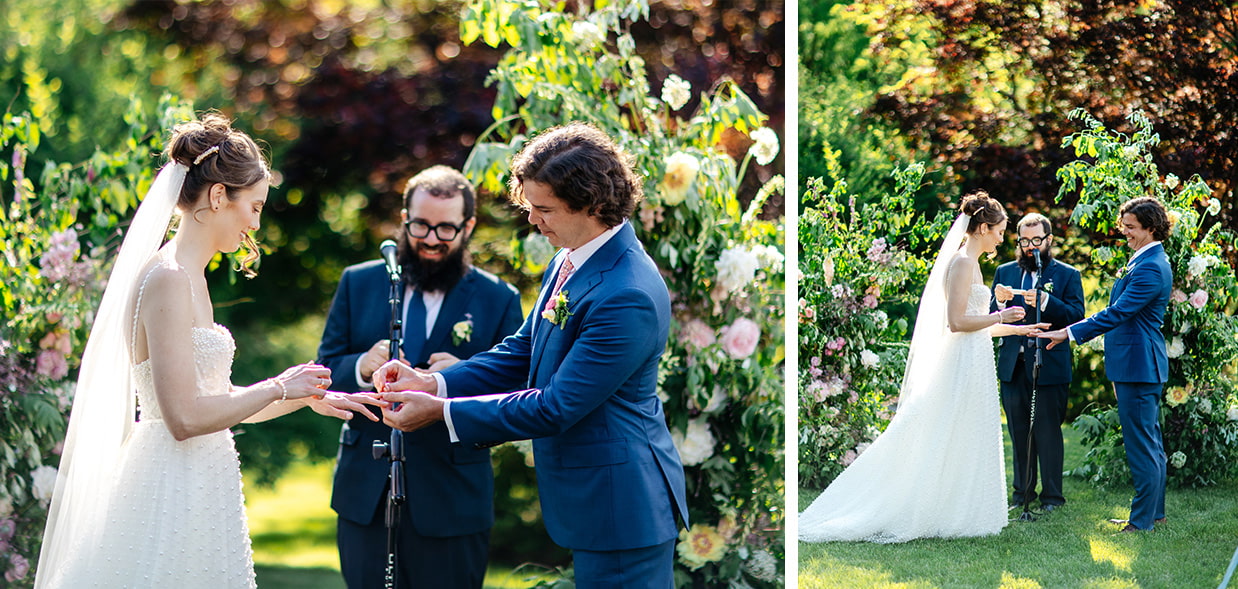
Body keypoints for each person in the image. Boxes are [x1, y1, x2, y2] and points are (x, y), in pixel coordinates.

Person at [35, 113, 379, 588]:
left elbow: (215, 399)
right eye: (254, 207)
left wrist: (304, 397)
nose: (255, 225)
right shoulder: (170, 280)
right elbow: (183, 418)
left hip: (201, 481)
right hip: (168, 487)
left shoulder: (191, 277)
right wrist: (278, 387)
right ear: (219, 197)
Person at [367, 123, 688, 588]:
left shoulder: (627, 293)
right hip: (599, 501)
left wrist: (442, 413)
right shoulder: (571, 256)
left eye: (544, 209)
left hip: (622, 504)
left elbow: (556, 406)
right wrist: (431, 382)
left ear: (593, 205)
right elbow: (524, 349)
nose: (533, 221)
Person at [799, 192, 1048, 543]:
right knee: (935, 430)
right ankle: (904, 503)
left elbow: (981, 325)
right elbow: (957, 322)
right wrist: (1000, 314)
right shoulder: (961, 263)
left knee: (967, 434)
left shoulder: (975, 265)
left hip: (976, 360)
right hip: (959, 364)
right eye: (1000, 230)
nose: (1003, 238)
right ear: (981, 228)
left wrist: (1019, 328)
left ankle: (958, 511)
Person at [317, 165, 523, 589]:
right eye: (421, 225)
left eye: (445, 229)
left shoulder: (499, 298)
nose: (431, 239)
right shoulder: (358, 282)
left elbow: (518, 393)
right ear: (404, 218)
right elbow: (324, 370)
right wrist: (360, 366)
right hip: (365, 498)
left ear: (468, 226)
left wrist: (461, 378)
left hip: (452, 500)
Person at [1039, 196, 1173, 532]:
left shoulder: (1151, 267)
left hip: (1139, 364)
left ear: (1151, 228)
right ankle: (1154, 514)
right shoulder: (1144, 260)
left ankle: (1142, 521)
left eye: (1131, 227)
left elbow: (1118, 313)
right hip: (1136, 363)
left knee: (1142, 445)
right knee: (1149, 441)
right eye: (1123, 225)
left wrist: (1069, 333)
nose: (1124, 232)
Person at [990, 213, 1084, 514]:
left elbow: (1077, 317)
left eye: (1036, 241)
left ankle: (1053, 497)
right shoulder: (1004, 272)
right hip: (1013, 364)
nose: (1030, 247)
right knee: (1018, 431)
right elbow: (990, 315)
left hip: (1050, 363)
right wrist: (1002, 304)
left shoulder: (1067, 275)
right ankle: (1022, 493)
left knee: (1048, 431)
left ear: (1049, 240)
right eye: (1024, 241)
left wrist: (1045, 302)